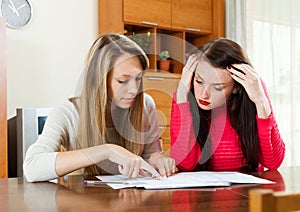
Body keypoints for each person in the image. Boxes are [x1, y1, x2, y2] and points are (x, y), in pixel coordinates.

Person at [24, 33, 175, 182]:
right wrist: (106, 151)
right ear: (99, 80)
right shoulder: (67, 113)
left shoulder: (145, 104)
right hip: (84, 203)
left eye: (138, 79)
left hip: (130, 201)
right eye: (123, 81)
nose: (134, 90)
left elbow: (152, 152)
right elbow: (32, 167)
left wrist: (158, 158)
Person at [170, 38, 285, 172]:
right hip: (205, 191)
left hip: (248, 190)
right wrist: (182, 96)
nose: (204, 94)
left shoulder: (254, 93)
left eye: (218, 87)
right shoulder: (183, 96)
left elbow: (273, 162)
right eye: (199, 81)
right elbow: (185, 164)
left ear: (236, 87)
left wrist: (261, 102)